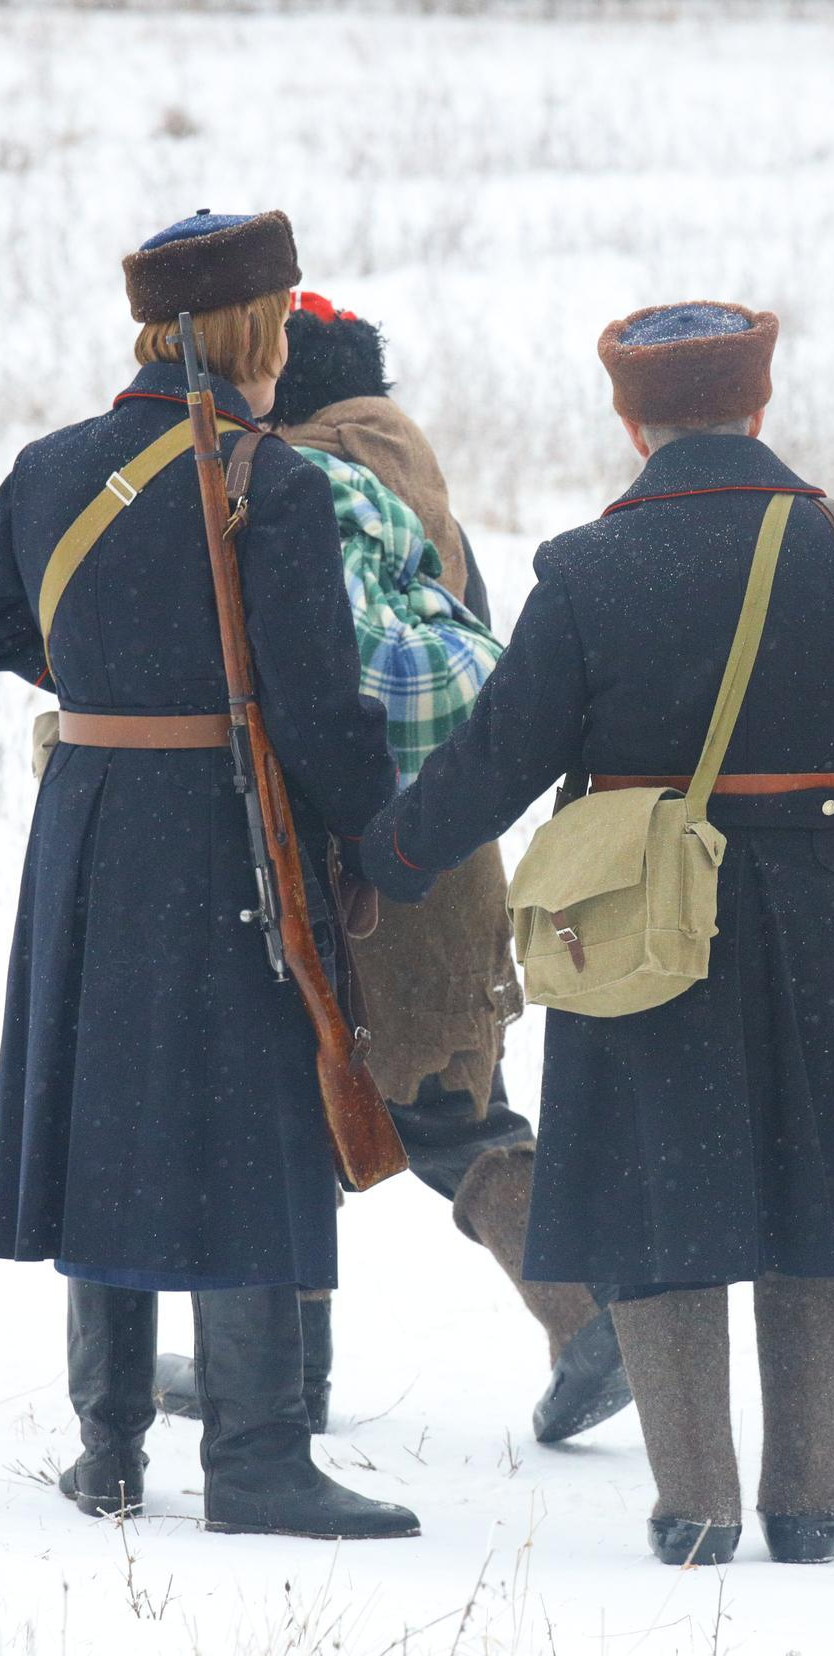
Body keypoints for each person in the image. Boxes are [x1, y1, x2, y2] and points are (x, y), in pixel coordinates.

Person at [362, 301, 834, 1568]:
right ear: (757, 408)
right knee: (819, 1198)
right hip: (822, 912)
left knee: (657, 1191)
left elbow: (504, 757)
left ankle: (695, 1507)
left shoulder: (588, 569)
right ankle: (808, 1505)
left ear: (629, 419)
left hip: (641, 924)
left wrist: (392, 855)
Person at [0, 210, 416, 1541]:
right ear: (256, 328)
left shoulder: (54, 464)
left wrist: (94, 675)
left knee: (107, 1116)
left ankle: (113, 1449)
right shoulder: (273, 479)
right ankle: (255, 1457)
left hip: (89, 824)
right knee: (253, 1119)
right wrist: (376, 837)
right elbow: (313, 708)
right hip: (228, 828)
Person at [148, 294, 632, 1447]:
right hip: (432, 852)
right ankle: (295, 1371)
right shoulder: (401, 477)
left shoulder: (305, 487)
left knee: (393, 1112)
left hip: (351, 859)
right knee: (391, 1106)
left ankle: (588, 1314)